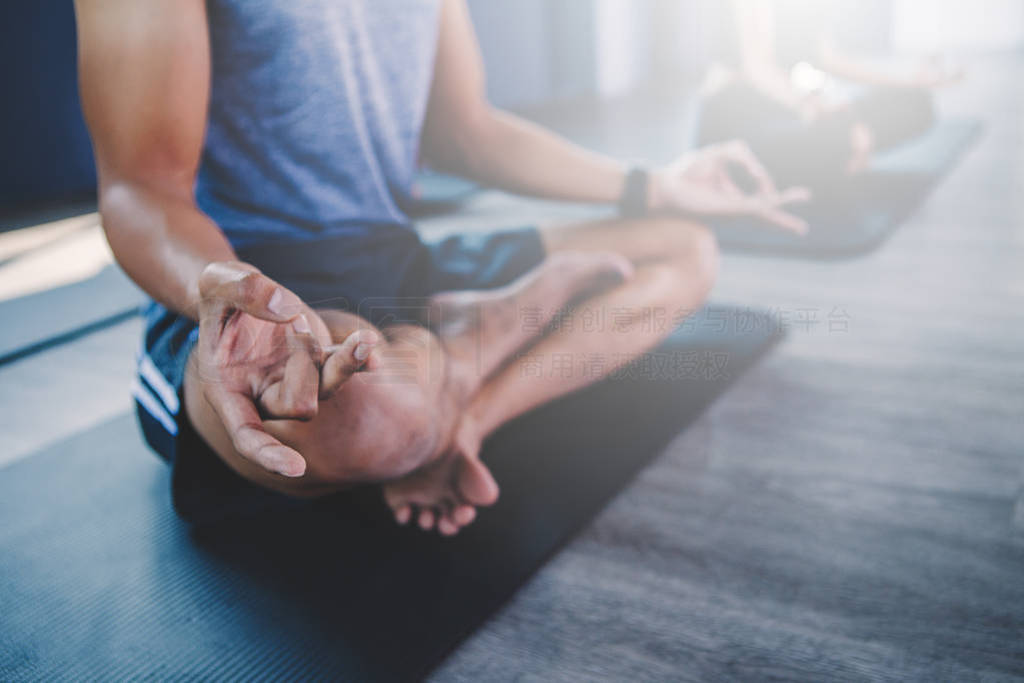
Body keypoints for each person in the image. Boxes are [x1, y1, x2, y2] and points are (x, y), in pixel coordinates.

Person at [74, 0, 806, 534]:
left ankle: (463, 420)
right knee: (362, 418)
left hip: (397, 257)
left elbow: (470, 132)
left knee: (682, 245)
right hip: (249, 290)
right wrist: (223, 297)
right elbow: (141, 188)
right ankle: (441, 375)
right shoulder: (241, 303)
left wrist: (656, 183)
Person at [697, 0, 962, 190]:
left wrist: (910, 79)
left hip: (790, 109)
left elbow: (830, 60)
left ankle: (831, 160)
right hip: (740, 119)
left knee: (916, 103)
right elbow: (757, 69)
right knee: (836, 134)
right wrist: (831, 115)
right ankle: (831, 158)